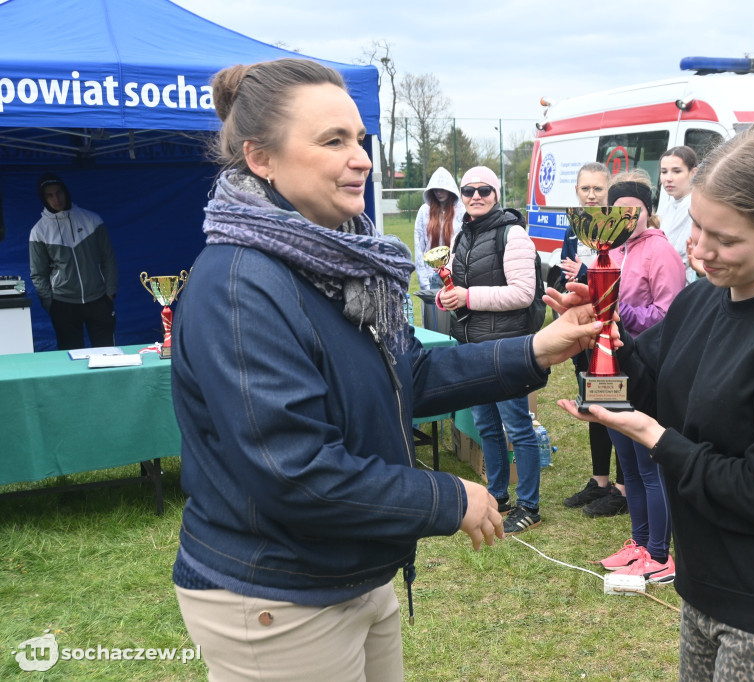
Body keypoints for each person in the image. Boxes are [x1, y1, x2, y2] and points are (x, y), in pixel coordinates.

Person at [170, 59, 605, 681]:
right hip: (281, 596)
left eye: (359, 138)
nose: (363, 159)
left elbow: (409, 374)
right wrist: (445, 495)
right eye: (332, 141)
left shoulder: (338, 261)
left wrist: (536, 349)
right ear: (260, 159)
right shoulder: (241, 285)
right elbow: (292, 472)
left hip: (353, 571)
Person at [550, 124, 754, 679]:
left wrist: (657, 440)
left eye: (725, 237)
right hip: (706, 590)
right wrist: (601, 340)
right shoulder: (702, 300)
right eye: (696, 225)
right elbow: (651, 385)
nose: (699, 249)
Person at [438, 165, 546, 534]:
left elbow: (522, 293)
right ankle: (498, 494)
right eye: (469, 191)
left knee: (517, 425)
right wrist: (448, 296)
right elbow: (457, 284)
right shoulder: (461, 234)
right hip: (472, 347)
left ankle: (529, 504)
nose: (476, 197)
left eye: (484, 190)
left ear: (496, 194)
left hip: (506, 349)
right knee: (485, 424)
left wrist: (467, 296)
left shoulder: (513, 234)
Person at [595, 168, 686, 585]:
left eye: (634, 211)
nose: (627, 219)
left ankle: (661, 554)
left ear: (648, 212)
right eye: (618, 212)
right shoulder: (607, 252)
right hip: (609, 368)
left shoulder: (660, 252)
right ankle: (639, 542)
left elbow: (672, 316)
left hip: (646, 370)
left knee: (649, 465)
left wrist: (620, 313)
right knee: (627, 465)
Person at [560, 163, 629, 517]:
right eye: (585, 188)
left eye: (597, 189)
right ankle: (598, 480)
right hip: (583, 335)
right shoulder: (574, 231)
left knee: (615, 409)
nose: (591, 195)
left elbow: (617, 280)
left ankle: (621, 487)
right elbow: (563, 275)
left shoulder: (619, 230)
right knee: (591, 408)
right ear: (576, 191)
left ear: (609, 191)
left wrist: (586, 274)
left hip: (611, 335)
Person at [28, 173, 118, 350]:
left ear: (66, 192)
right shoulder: (39, 231)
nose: (56, 199)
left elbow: (108, 257)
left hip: (98, 298)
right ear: (44, 199)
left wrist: (110, 291)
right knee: (70, 357)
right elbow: (38, 273)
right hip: (63, 303)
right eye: (50, 195)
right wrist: (50, 303)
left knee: (108, 353)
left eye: (59, 192)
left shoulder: (92, 220)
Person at [413, 166, 464, 290]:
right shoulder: (424, 211)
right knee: (432, 309)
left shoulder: (462, 211)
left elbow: (463, 246)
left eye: (442, 189)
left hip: (455, 277)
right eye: (435, 189)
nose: (439, 193)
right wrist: (424, 281)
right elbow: (419, 246)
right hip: (430, 277)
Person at [656, 146, 699, 282]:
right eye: (664, 172)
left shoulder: (695, 205)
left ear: (693, 172)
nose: (668, 178)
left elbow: (674, 252)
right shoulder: (667, 207)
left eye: (676, 171)